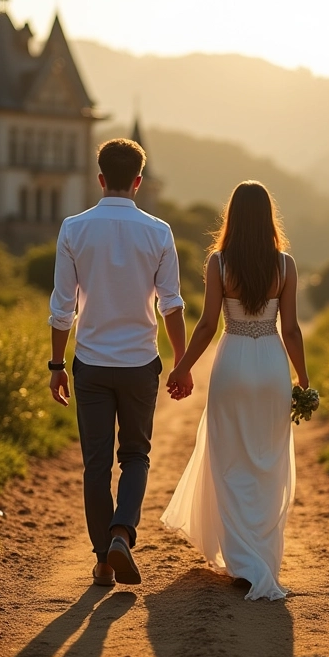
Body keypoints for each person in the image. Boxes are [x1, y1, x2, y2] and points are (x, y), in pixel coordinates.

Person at [48, 138, 189, 587]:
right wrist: (181, 362)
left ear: (101, 179)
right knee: (135, 456)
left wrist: (56, 365)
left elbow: (62, 308)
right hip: (140, 363)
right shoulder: (159, 232)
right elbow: (171, 305)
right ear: (139, 182)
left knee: (96, 464)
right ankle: (122, 534)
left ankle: (104, 563)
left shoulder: (73, 228)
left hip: (90, 363)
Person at [162, 180, 308, 601]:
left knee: (229, 460)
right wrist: (303, 380)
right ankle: (262, 560)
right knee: (267, 463)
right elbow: (291, 330)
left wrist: (183, 367)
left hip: (232, 365)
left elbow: (208, 324)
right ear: (268, 218)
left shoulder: (219, 263)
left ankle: (242, 561)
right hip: (272, 366)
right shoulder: (286, 266)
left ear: (233, 217)